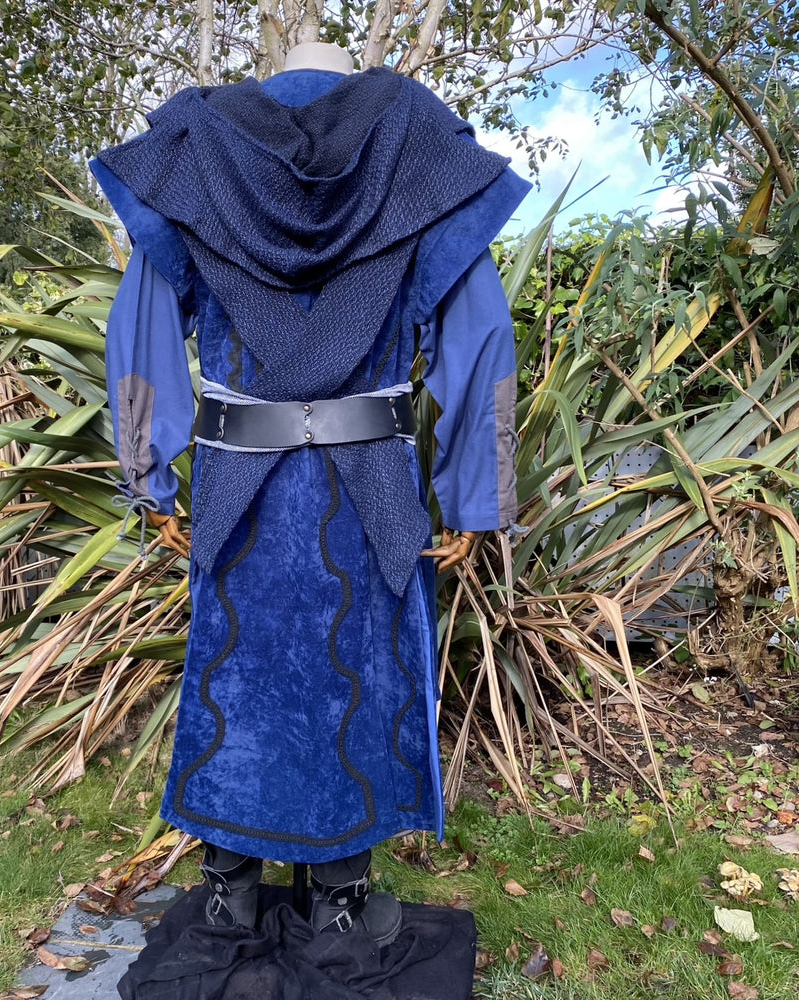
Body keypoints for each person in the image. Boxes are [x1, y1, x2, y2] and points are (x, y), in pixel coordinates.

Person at [91, 42, 529, 948]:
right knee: (356, 675)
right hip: (371, 491)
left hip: (236, 489)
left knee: (238, 675)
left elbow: (139, 328)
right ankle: (341, 901)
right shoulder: (415, 151)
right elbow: (481, 337)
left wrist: (148, 479)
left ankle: (229, 894)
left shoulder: (197, 152)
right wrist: (474, 499)